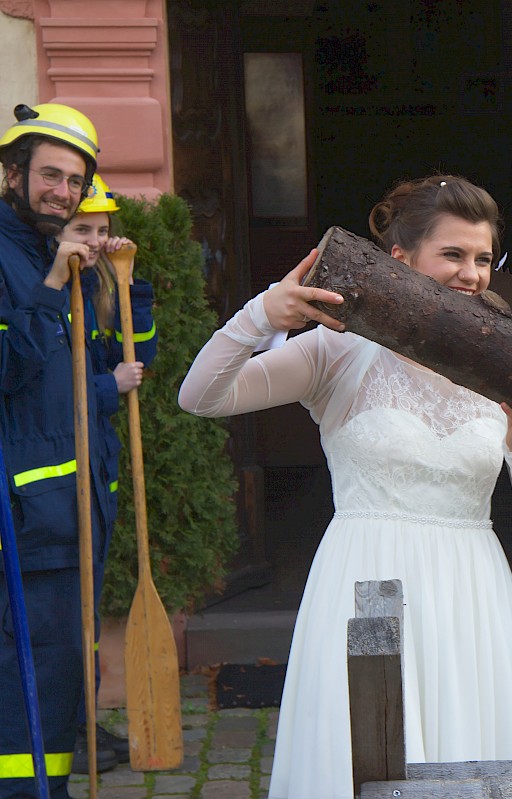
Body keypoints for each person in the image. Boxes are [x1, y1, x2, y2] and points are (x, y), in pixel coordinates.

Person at [178, 174, 512, 798]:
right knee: (362, 753)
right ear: (400, 259)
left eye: (483, 259)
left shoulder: (502, 362)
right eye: (453, 254)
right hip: (365, 581)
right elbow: (201, 397)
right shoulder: (336, 353)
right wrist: (260, 315)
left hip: (472, 591)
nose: (471, 273)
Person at [0, 102, 109, 798]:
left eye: (74, 180)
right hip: (23, 522)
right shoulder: (19, 259)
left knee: (66, 673)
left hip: (73, 515)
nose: (62, 192)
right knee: (24, 681)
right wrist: (48, 288)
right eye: (49, 175)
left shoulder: (59, 253)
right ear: (13, 173)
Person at [58, 173, 157, 773]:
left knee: (86, 612)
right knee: (65, 613)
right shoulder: (45, 291)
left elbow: (137, 351)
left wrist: (131, 287)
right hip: (56, 480)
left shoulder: (98, 286)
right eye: (83, 229)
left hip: (97, 475)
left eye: (102, 230)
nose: (96, 241)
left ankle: (83, 722)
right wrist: (107, 386)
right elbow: (48, 388)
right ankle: (67, 727)